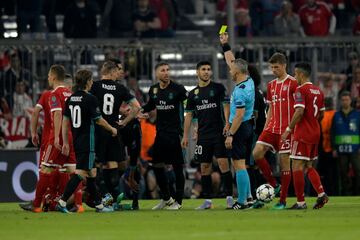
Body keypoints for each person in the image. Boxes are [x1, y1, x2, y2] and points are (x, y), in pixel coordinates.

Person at [56, 69, 117, 213]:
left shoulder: (70, 99)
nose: (92, 83)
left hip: (76, 140)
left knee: (91, 173)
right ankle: (62, 201)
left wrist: (65, 142)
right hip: (87, 141)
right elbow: (99, 120)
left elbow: (65, 123)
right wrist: (112, 129)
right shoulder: (90, 99)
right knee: (81, 173)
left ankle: (99, 205)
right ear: (88, 82)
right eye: (91, 80)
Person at [182, 61, 233, 210]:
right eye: (203, 69)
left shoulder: (218, 88)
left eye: (208, 69)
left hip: (219, 133)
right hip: (203, 136)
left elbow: (226, 106)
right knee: (204, 167)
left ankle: (229, 198)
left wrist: (227, 124)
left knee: (224, 164)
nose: (206, 72)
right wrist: (185, 135)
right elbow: (189, 116)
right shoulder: (193, 94)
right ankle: (207, 200)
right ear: (197, 72)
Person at [252, 52, 297, 209]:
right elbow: (270, 107)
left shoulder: (294, 83)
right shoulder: (271, 85)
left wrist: (293, 128)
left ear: (284, 65)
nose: (273, 70)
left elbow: (299, 108)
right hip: (272, 127)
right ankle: (273, 184)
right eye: (271, 67)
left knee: (284, 163)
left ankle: (283, 201)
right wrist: (266, 126)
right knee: (256, 153)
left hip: (286, 130)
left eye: (276, 67)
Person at [90, 61, 140, 203]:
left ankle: (106, 195)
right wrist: (124, 122)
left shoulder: (94, 86)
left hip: (98, 128)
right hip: (113, 129)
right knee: (112, 164)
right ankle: (114, 195)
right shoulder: (120, 88)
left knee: (97, 164)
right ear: (112, 72)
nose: (118, 73)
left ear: (103, 72)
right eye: (116, 71)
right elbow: (136, 107)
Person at [281, 62, 329, 209]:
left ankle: (301, 202)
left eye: (295, 74)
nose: (295, 77)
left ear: (301, 74)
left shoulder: (300, 90)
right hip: (315, 132)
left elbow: (299, 111)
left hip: (302, 133)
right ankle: (321, 194)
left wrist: (289, 129)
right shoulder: (318, 91)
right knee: (308, 165)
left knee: (296, 165)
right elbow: (321, 114)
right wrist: (313, 123)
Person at [142, 62, 187, 210]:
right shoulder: (153, 90)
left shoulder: (178, 89)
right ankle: (166, 198)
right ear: (157, 74)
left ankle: (178, 202)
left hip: (174, 134)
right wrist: (138, 110)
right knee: (156, 166)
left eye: (168, 70)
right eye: (163, 70)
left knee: (177, 168)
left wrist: (191, 129)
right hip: (160, 134)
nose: (166, 73)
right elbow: (150, 105)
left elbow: (189, 106)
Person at [220, 32, 255, 210]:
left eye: (232, 70)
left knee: (238, 164)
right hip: (247, 125)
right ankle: (248, 197)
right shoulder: (248, 81)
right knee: (241, 164)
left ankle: (241, 202)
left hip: (239, 127)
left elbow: (239, 116)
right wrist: (225, 45)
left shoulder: (241, 91)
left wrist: (230, 134)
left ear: (239, 72)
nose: (229, 70)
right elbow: (231, 61)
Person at [331, 91, 360, 196]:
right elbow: (332, 132)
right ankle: (345, 193)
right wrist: (334, 148)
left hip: (355, 149)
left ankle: (357, 193)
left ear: (350, 100)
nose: (345, 102)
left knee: (358, 171)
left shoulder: (357, 114)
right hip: (341, 149)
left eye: (347, 99)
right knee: (343, 173)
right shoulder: (336, 115)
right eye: (343, 100)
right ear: (340, 101)